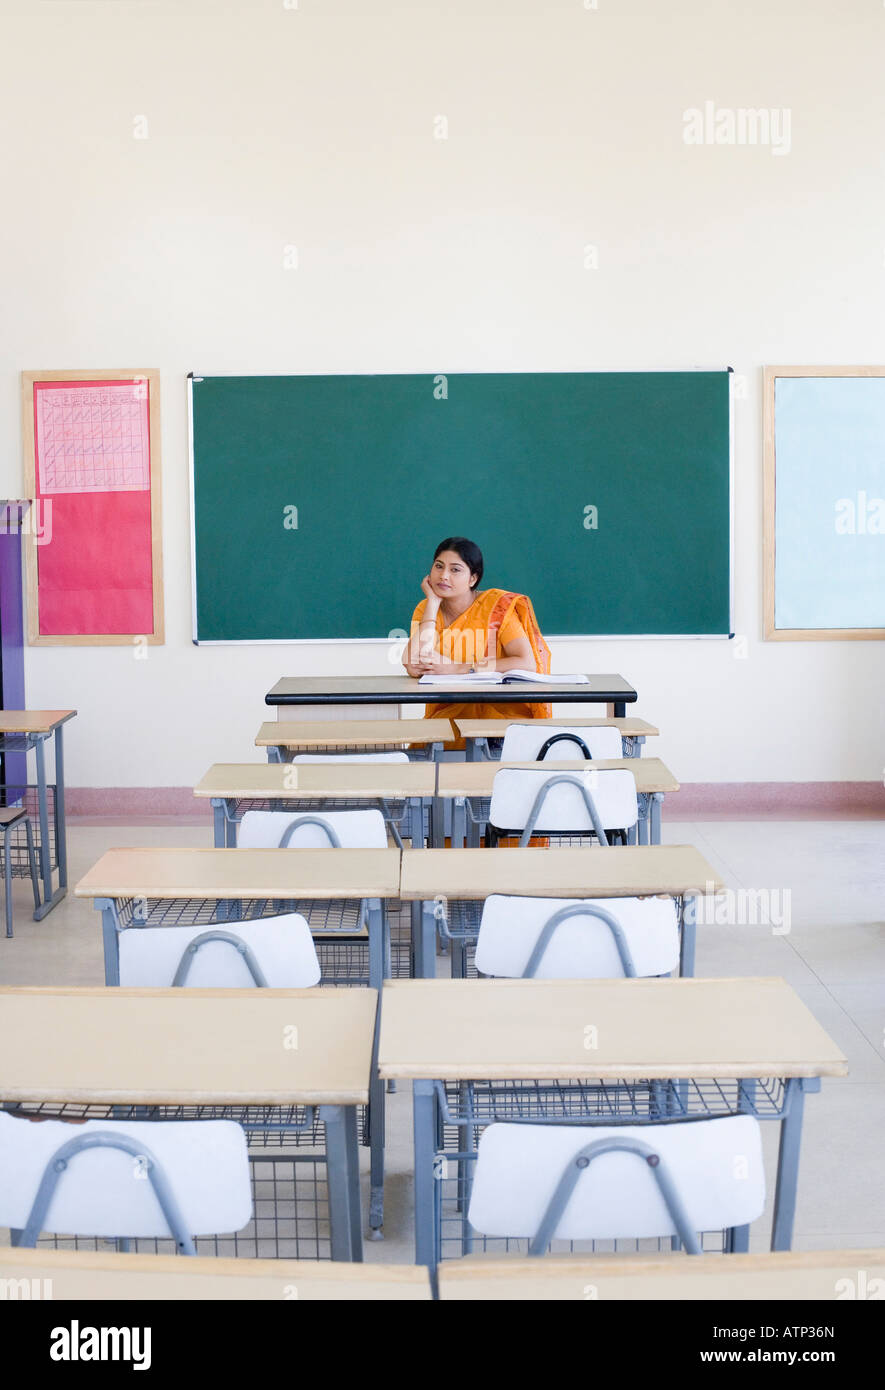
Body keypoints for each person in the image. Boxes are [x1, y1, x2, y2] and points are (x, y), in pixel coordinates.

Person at [403, 537, 551, 740]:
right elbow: (412, 663)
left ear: (472, 579)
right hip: (448, 712)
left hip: (501, 712)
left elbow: (526, 663)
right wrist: (433, 602)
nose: (443, 576)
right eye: (439, 566)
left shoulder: (496, 607)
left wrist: (457, 668)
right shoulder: (427, 608)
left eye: (455, 570)